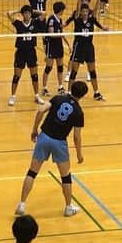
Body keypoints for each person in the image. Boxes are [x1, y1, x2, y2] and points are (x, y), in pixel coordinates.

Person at [15, 81, 89, 217]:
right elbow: (76, 137)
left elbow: (41, 110)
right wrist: (79, 154)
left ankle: (22, 204)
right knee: (65, 176)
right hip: (59, 142)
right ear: (83, 95)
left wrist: (34, 129)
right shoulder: (79, 112)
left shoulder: (58, 98)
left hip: (44, 137)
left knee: (32, 172)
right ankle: (68, 207)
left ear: (71, 89)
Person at [67, 0, 106, 101]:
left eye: (86, 11)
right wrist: (79, 0)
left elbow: (96, 10)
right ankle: (69, 93)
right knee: (74, 71)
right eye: (83, 11)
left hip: (89, 47)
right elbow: (78, 10)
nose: (84, 13)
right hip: (78, 47)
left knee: (92, 71)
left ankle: (96, 93)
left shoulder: (91, 19)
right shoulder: (78, 19)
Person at [7, 5, 44, 106]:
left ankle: (37, 96)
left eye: (29, 13)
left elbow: (43, 13)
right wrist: (19, 10)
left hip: (31, 52)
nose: (27, 15)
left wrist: (31, 10)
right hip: (20, 52)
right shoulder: (18, 24)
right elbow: (9, 14)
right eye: (25, 13)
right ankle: (13, 96)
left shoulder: (35, 23)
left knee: (34, 76)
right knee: (16, 76)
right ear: (22, 14)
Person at [41, 1, 69, 97]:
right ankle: (44, 88)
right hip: (51, 46)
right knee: (48, 68)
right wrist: (60, 35)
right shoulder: (52, 19)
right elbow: (51, 34)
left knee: (60, 67)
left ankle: (60, 87)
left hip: (59, 46)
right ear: (61, 10)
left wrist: (68, 44)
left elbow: (61, 32)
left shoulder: (59, 20)